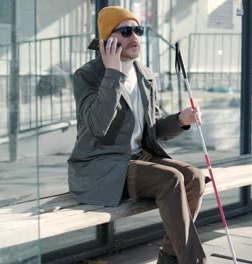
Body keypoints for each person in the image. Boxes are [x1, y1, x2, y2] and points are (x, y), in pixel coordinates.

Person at [68, 6, 207, 264]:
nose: (135, 36)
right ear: (108, 39)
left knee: (195, 178)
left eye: (138, 30)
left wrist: (180, 120)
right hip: (103, 167)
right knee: (171, 180)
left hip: (137, 159)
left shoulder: (144, 75)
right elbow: (98, 126)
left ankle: (169, 257)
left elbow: (151, 130)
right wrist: (112, 73)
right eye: (126, 31)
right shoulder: (87, 76)